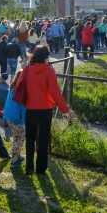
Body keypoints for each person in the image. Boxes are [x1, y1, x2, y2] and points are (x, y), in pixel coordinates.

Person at [18, 45, 75, 175]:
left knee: (30, 137)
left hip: (30, 107)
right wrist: (66, 110)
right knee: (43, 138)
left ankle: (29, 167)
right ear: (46, 57)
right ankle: (41, 168)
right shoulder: (49, 71)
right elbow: (55, 92)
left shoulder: (27, 69)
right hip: (45, 108)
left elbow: (18, 85)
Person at [3, 73, 27, 168]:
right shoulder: (20, 90)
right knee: (18, 138)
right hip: (17, 117)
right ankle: (14, 161)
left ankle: (17, 155)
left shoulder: (13, 87)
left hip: (10, 116)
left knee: (20, 137)